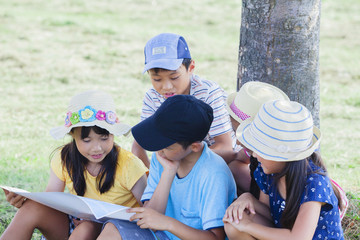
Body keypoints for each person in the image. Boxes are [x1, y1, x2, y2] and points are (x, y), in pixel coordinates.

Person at [0, 90, 148, 240]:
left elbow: (150, 210)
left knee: (86, 228)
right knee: (32, 207)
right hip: (77, 223)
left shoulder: (129, 165)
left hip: (117, 230)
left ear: (113, 134)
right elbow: (51, 200)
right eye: (87, 140)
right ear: (72, 135)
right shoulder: (65, 158)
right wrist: (24, 201)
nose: (96, 148)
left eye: (104, 138)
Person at [98, 95, 237, 240]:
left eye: (167, 146)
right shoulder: (165, 156)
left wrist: (168, 223)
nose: (159, 149)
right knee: (112, 228)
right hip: (161, 234)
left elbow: (215, 237)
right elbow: (150, 218)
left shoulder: (213, 173)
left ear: (194, 146)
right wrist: (168, 173)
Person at [223, 100, 345, 240]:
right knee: (234, 222)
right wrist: (248, 198)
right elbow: (269, 214)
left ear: (283, 156)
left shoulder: (314, 183)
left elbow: (299, 238)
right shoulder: (268, 170)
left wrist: (248, 226)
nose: (255, 155)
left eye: (261, 149)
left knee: (241, 224)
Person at [132, 32, 235, 168]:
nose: (166, 87)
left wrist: (182, 163)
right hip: (176, 162)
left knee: (237, 171)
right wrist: (151, 177)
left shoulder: (208, 93)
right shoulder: (153, 97)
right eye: (157, 79)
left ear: (190, 68)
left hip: (215, 162)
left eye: (174, 77)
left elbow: (226, 147)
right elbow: (138, 145)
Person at [225, 81, 289, 195]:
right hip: (264, 197)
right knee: (232, 168)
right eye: (235, 132)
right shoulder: (250, 151)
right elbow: (238, 159)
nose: (238, 142)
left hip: (282, 202)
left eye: (245, 136)